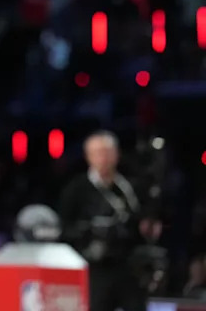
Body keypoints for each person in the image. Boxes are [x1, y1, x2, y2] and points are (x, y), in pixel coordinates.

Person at [57, 131, 144, 311]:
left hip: (127, 264)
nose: (103, 158)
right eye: (97, 153)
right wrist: (88, 232)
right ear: (88, 157)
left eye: (107, 152)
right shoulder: (76, 188)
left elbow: (139, 220)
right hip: (93, 267)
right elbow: (63, 227)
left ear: (117, 155)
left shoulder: (129, 187)